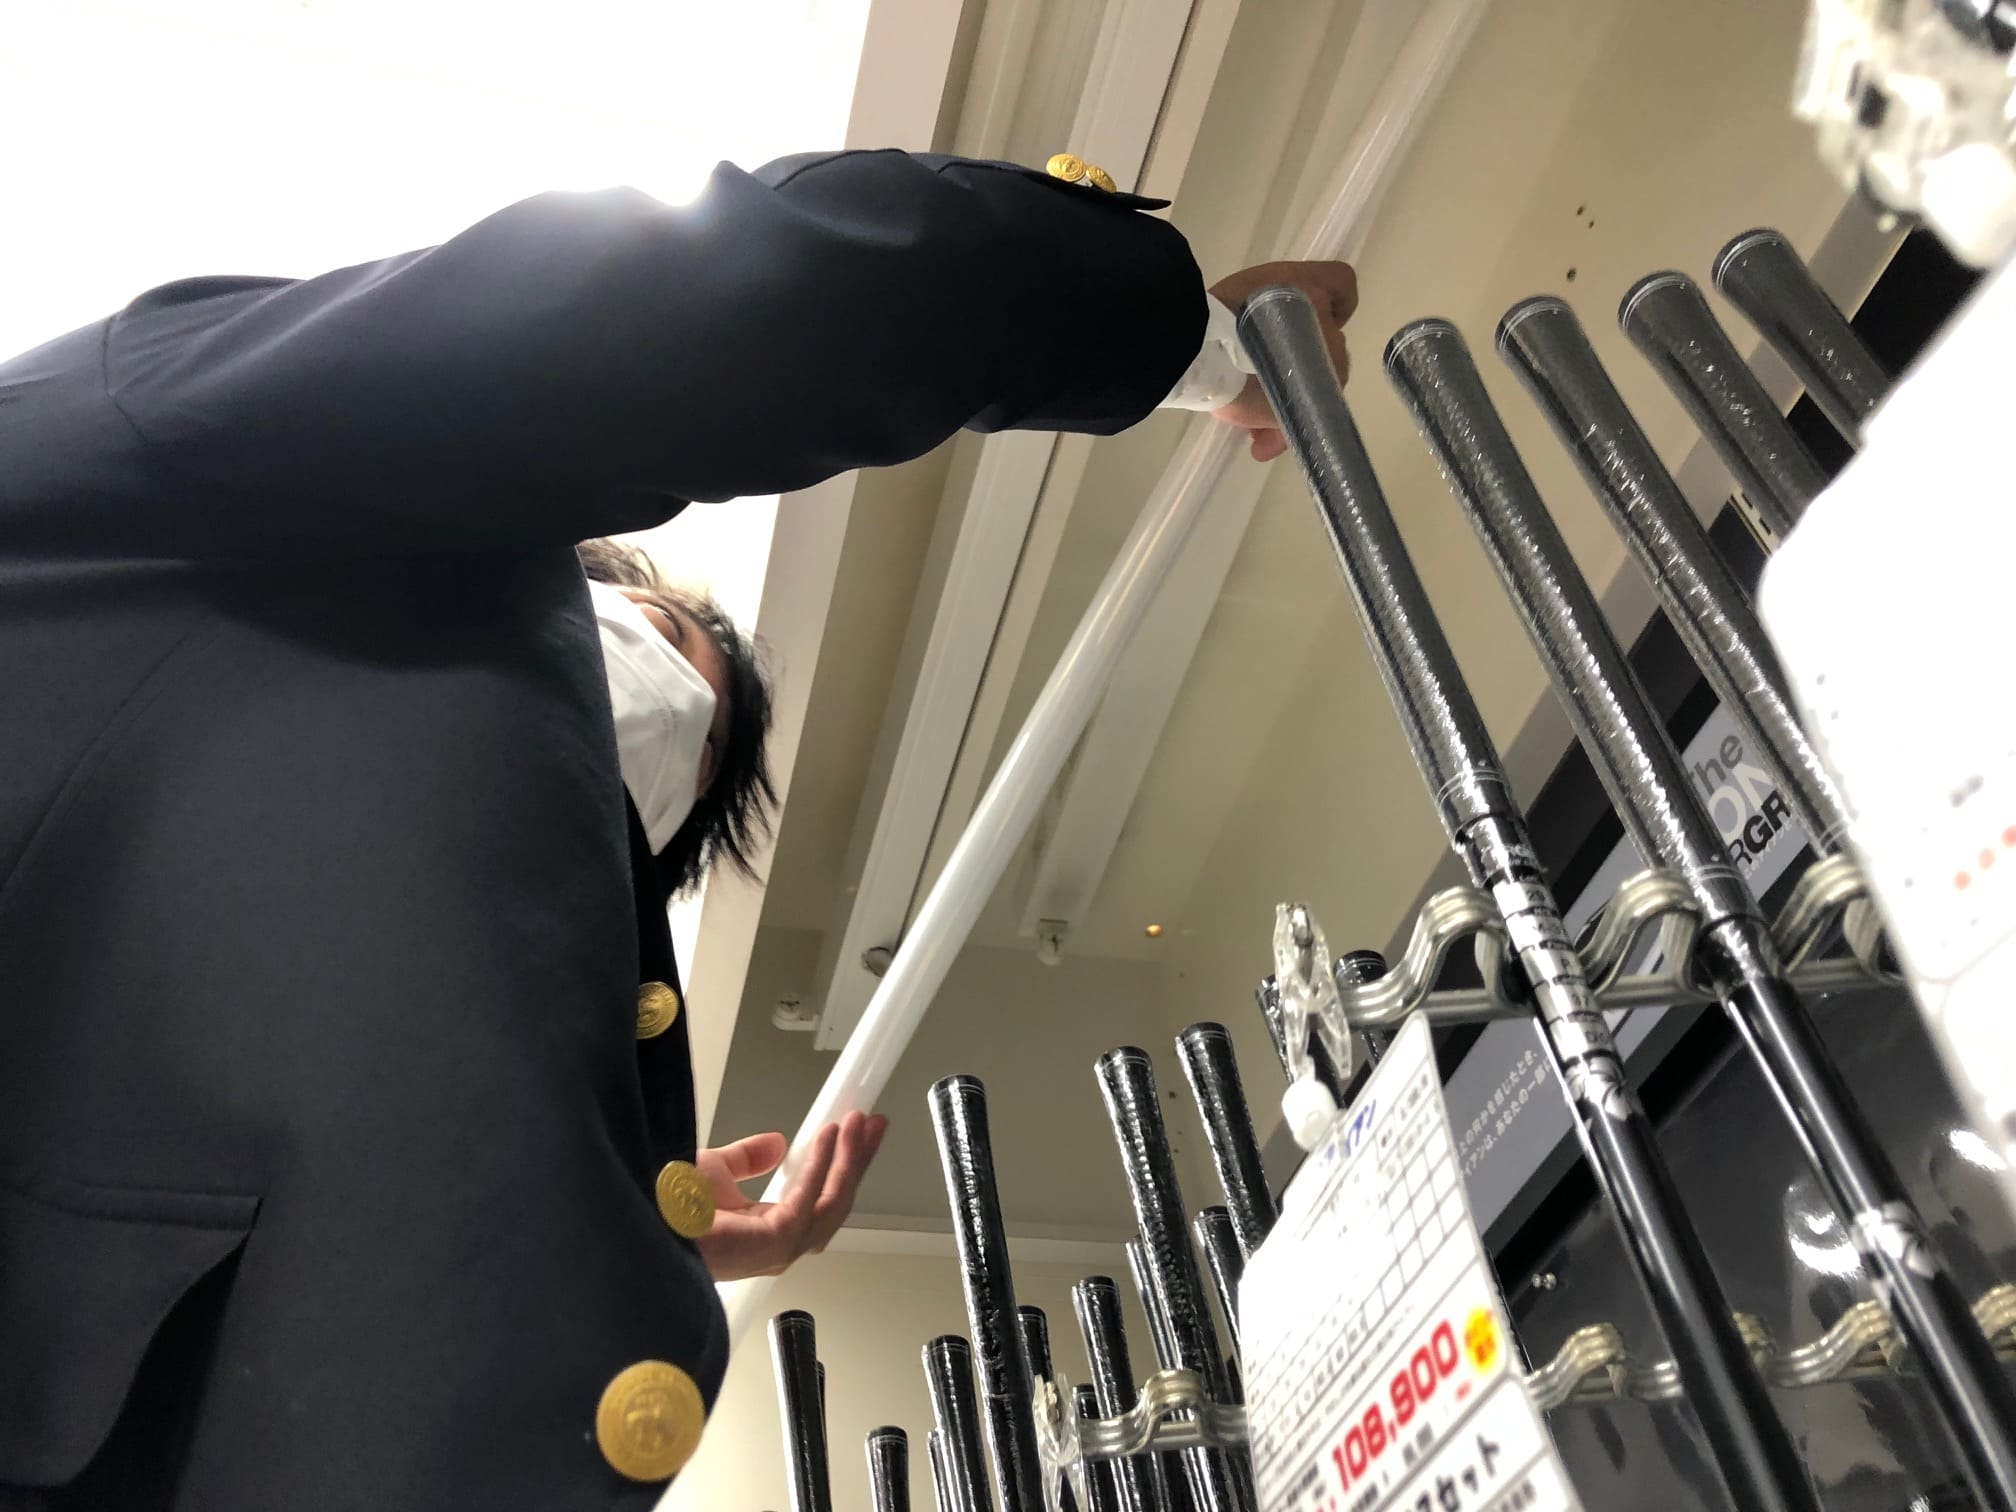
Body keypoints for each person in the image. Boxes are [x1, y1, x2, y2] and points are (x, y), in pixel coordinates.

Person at [0, 146, 1356, 1509]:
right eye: (653, 637)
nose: (669, 716)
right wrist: (1184, 339)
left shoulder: (460, 984)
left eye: (696, 765)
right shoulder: (177, 478)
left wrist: (586, 1210)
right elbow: (693, 309)